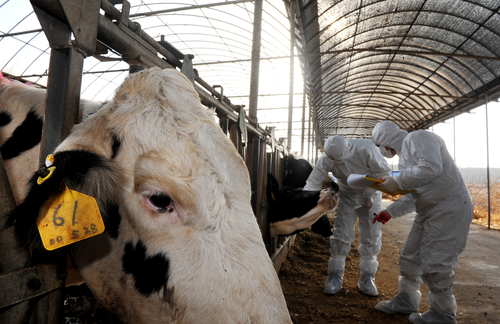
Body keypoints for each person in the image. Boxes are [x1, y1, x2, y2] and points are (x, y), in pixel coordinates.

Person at [371, 121, 473, 324]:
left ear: (385, 142)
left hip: (449, 207)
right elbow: (413, 195)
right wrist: (390, 211)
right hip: (429, 210)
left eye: (380, 146)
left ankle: (443, 313)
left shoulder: (418, 138)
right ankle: (406, 300)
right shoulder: (405, 159)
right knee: (411, 256)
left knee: (437, 262)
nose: (384, 152)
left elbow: (431, 168)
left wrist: (397, 180)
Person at [303, 135, 391, 296]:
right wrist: (305, 200)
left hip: (371, 194)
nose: (338, 163)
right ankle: (335, 276)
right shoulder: (327, 157)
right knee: (340, 234)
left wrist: (371, 192)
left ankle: (367, 277)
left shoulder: (367, 148)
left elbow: (384, 171)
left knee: (372, 234)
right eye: (334, 160)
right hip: (347, 194)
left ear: (348, 149)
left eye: (340, 159)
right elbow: (314, 181)